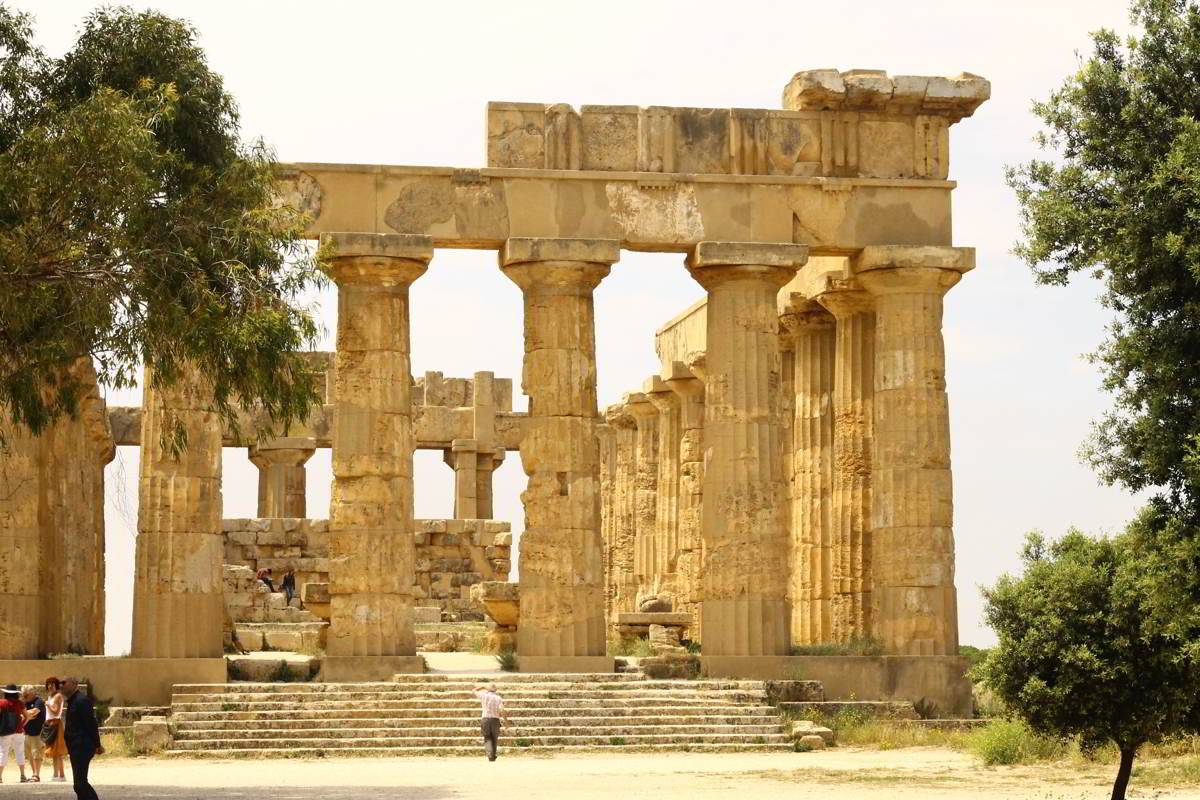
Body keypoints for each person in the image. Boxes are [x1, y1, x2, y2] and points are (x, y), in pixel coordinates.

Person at [62, 677, 102, 800]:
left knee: (80, 783)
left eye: (64, 683)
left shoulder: (81, 700)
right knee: (78, 785)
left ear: (74, 684)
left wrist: (97, 744)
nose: (62, 685)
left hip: (82, 746)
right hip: (75, 747)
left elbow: (91, 723)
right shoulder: (73, 700)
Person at [0, 683, 31, 784]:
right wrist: (22, 725)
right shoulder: (20, 703)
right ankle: (22, 776)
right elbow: (27, 716)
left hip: (5, 731)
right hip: (18, 732)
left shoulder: (2, 703)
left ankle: (0, 777)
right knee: (20, 753)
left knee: (3, 752)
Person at [473, 683, 511, 762]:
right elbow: (502, 710)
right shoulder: (498, 698)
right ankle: (493, 755)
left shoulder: (483, 696)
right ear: (496, 690)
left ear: (487, 689)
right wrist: (506, 722)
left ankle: (490, 755)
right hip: (495, 720)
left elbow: (474, 690)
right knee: (494, 738)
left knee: (487, 738)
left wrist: (483, 686)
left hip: (485, 719)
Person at [43, 677, 68, 782]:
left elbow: (55, 711)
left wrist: (48, 705)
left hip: (56, 723)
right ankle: (58, 775)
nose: (50, 686)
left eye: (52, 684)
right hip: (50, 723)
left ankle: (59, 775)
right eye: (48, 684)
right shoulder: (50, 696)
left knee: (57, 751)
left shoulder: (58, 696)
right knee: (55, 751)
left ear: (56, 685)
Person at [21, 687, 45, 783]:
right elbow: (24, 714)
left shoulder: (38, 701)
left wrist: (24, 715)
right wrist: (27, 715)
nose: (24, 695)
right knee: (30, 755)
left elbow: (35, 711)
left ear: (32, 692)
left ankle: (36, 775)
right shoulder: (25, 702)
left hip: (37, 732)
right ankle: (34, 773)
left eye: (26, 693)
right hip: (27, 732)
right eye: (23, 693)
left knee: (37, 754)